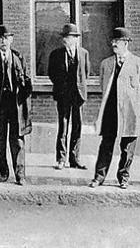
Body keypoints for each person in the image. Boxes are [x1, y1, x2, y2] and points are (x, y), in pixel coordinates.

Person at [89, 27, 140, 189]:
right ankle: (98, 177)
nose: (113, 44)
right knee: (106, 145)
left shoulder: (139, 64)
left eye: (117, 41)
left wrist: (135, 100)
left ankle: (124, 177)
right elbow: (102, 85)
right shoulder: (106, 64)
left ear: (125, 43)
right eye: (113, 41)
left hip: (130, 112)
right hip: (111, 111)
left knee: (127, 147)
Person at [0, 25, 32, 185]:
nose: (3, 41)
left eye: (6, 38)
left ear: (11, 39)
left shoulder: (18, 57)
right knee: (0, 139)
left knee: (17, 139)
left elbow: (26, 81)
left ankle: (20, 175)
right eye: (0, 38)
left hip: (15, 104)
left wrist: (25, 85)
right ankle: (3, 172)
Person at [48, 23, 90, 170]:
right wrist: (62, 87)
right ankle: (61, 159)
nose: (65, 39)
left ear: (75, 39)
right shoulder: (56, 54)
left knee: (77, 127)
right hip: (63, 95)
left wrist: (79, 88)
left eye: (69, 37)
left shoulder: (84, 53)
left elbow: (86, 73)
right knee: (63, 127)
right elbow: (51, 74)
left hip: (78, 96)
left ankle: (74, 159)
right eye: (64, 37)